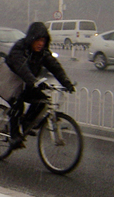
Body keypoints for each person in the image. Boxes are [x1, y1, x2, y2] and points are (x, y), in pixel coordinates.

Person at [6, 21, 75, 149]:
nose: (40, 44)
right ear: (31, 38)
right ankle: (14, 135)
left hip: (27, 82)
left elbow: (55, 67)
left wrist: (66, 82)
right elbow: (22, 68)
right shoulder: (20, 48)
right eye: (38, 40)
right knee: (17, 104)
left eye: (43, 40)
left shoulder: (43, 52)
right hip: (11, 82)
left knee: (42, 101)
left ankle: (26, 124)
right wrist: (33, 81)